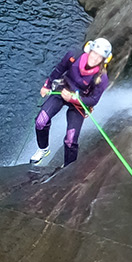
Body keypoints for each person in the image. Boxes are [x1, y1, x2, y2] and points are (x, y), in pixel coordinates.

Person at [31, 38, 113, 166]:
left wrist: (73, 99)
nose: (95, 58)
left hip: (79, 103)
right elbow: (59, 70)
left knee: (71, 140)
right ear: (89, 50)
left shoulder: (101, 78)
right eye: (94, 53)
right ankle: (43, 149)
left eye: (100, 57)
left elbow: (94, 100)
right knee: (40, 121)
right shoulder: (73, 56)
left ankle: (69, 167)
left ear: (104, 60)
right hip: (62, 89)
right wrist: (47, 85)